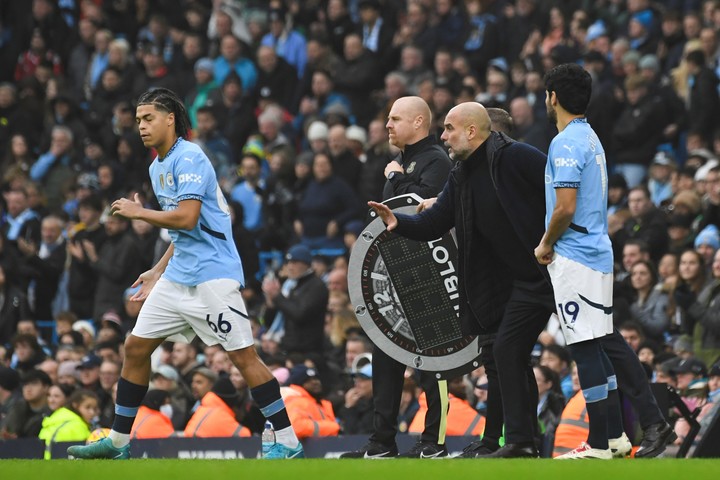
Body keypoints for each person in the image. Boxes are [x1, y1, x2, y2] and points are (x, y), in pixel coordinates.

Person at [67, 88, 302, 460]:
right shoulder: (156, 166)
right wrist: (158, 270)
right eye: (139, 119)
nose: (140, 126)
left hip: (212, 274)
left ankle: (287, 441)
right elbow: (182, 232)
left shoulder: (189, 156)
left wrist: (138, 213)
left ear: (170, 119)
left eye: (148, 118)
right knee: (135, 346)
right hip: (179, 275)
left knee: (243, 357)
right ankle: (118, 442)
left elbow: (187, 217)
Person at [368, 101, 556, 458]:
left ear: (472, 130)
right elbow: (435, 222)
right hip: (501, 282)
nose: (443, 136)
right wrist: (399, 222)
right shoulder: (461, 173)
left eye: (449, 129)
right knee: (506, 354)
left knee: (538, 349)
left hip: (540, 274)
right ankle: (518, 442)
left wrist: (559, 237)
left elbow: (559, 188)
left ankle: (530, 440)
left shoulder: (515, 157)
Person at [534, 63, 644, 459]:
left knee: (584, 347)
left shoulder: (564, 143)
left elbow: (564, 207)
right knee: (595, 345)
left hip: (575, 255)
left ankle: (598, 443)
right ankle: (614, 437)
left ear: (553, 97)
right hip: (596, 250)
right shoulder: (590, 137)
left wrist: (545, 243)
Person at [340, 96, 452, 459]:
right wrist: (398, 176)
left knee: (434, 364)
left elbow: (416, 205)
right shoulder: (405, 161)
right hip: (399, 274)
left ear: (418, 122)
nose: (387, 125)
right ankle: (382, 441)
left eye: (394, 119)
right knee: (386, 355)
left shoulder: (436, 159)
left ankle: (433, 440)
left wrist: (394, 177)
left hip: (430, 275)